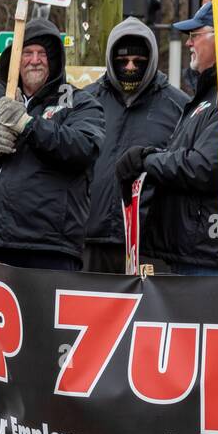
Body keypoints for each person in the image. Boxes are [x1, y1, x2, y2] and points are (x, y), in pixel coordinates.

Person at [115, 0, 218, 276]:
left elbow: (206, 166)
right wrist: (152, 157)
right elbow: (187, 154)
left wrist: (146, 161)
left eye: (195, 35)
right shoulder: (214, 92)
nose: (189, 43)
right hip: (196, 252)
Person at [0, 18, 103, 270]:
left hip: (50, 248)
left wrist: (28, 125)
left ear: (54, 61)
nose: (34, 60)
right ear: (14, 60)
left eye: (43, 54)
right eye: (27, 52)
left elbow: (84, 148)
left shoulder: (80, 102)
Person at [81, 17, 187, 273]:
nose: (130, 67)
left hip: (149, 246)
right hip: (90, 241)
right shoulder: (85, 101)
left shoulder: (179, 106)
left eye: (139, 62)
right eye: (123, 61)